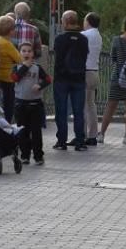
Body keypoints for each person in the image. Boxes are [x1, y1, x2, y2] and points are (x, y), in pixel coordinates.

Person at [99, 16, 126, 145]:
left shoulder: (116, 40)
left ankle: (102, 134)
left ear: (124, 26)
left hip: (117, 77)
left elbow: (113, 58)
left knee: (110, 106)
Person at [52, 10, 89, 151]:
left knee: (61, 111)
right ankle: (80, 141)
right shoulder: (84, 39)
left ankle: (61, 141)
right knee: (78, 111)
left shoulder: (60, 39)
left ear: (66, 21)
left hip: (62, 79)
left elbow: (58, 57)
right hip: (79, 79)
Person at [12, 42, 51, 165]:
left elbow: (48, 79)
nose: (26, 53)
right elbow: (15, 78)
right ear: (20, 53)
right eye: (23, 51)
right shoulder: (17, 67)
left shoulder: (37, 68)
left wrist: (40, 85)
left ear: (33, 54)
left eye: (29, 51)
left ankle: (38, 156)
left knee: (36, 132)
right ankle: (25, 155)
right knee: (23, 131)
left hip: (35, 105)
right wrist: (25, 66)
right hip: (20, 104)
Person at [0, 15, 22, 122]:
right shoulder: (7, 44)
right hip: (8, 78)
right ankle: (7, 126)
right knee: (9, 105)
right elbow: (19, 59)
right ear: (10, 31)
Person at [81, 12, 103, 145]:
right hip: (94, 71)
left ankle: (83, 134)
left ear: (88, 21)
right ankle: (93, 134)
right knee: (91, 104)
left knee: (83, 105)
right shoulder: (98, 36)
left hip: (86, 72)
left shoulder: (85, 35)